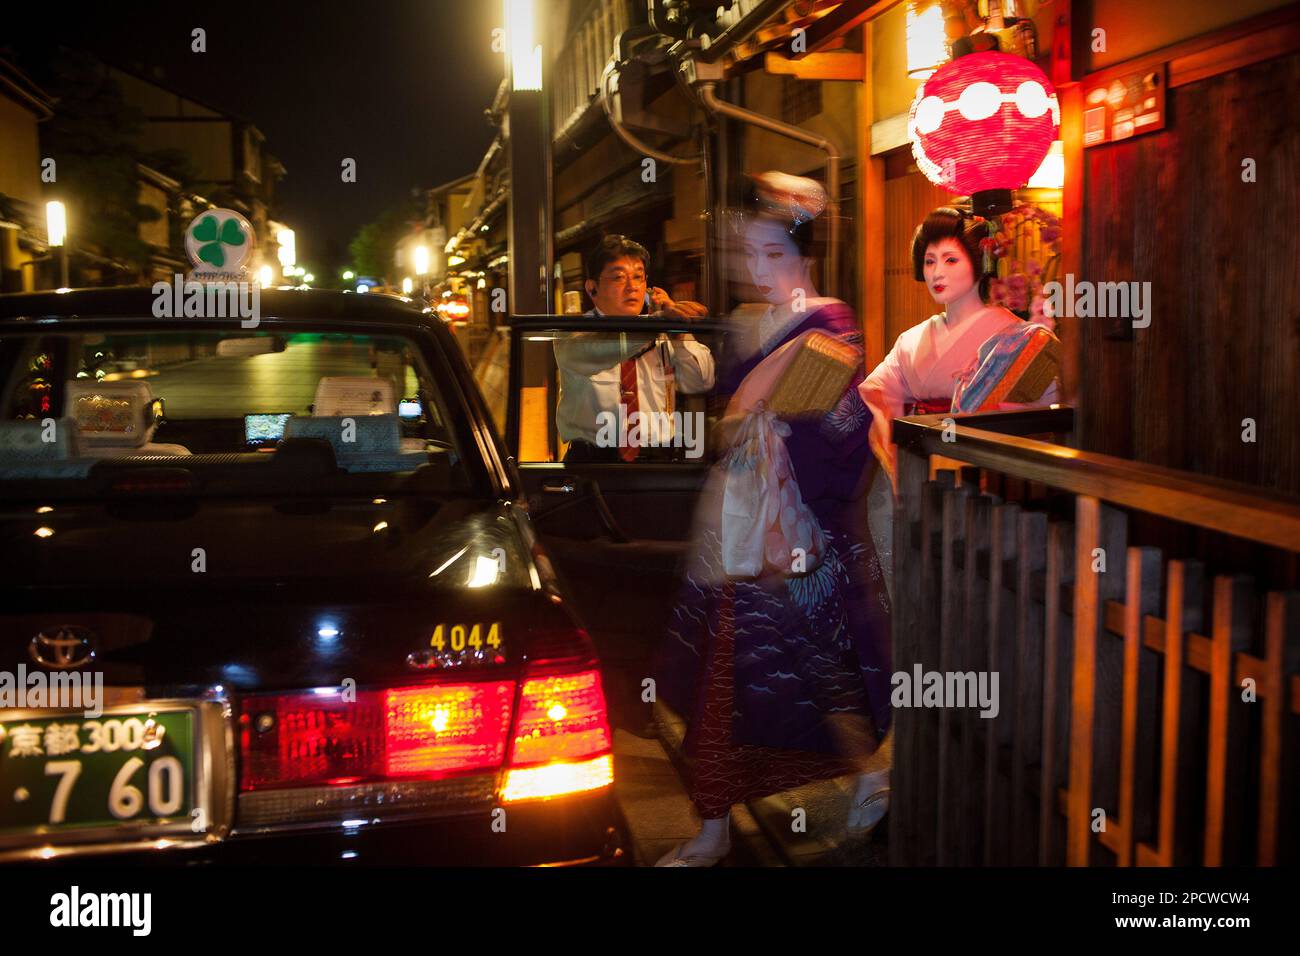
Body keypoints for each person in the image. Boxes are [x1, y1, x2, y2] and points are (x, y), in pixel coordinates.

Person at [653, 173, 892, 866]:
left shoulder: (831, 323)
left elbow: (834, 433)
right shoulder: (757, 325)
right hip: (743, 530)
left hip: (802, 534)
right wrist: (762, 406)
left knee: (831, 678)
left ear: (803, 252)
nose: (757, 270)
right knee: (727, 688)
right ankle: (714, 824)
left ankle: (873, 773)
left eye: (771, 254)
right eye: (749, 255)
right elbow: (735, 420)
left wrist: (767, 408)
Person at [859, 206, 1060, 489]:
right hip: (922, 466)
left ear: (980, 263)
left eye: (950, 260)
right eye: (929, 262)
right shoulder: (911, 340)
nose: (937, 273)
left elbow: (1041, 409)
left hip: (987, 473)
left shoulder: (1017, 337)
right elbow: (876, 397)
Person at [553, 235, 715, 463]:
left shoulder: (663, 331)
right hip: (594, 464)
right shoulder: (573, 331)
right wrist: (659, 323)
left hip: (659, 461)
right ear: (592, 288)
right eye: (619, 277)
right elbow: (602, 350)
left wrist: (678, 332)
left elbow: (700, 381)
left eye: (638, 277)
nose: (632, 287)